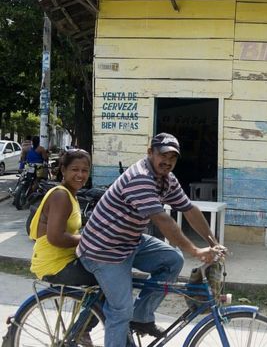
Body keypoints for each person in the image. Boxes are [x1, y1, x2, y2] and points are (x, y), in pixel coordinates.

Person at [77, 132, 227, 347]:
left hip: (130, 242)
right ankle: (129, 318)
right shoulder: (140, 178)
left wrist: (213, 242)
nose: (167, 162)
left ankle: (141, 317)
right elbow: (163, 220)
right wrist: (195, 250)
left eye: (173, 158)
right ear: (150, 153)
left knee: (173, 260)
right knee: (120, 311)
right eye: (162, 155)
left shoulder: (166, 179)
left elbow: (189, 209)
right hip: (104, 251)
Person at [30, 148, 96, 286]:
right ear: (63, 170)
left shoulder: (72, 195)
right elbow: (56, 237)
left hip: (64, 259)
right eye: (75, 169)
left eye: (85, 170)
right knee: (112, 275)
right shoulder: (61, 195)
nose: (80, 174)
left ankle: (95, 308)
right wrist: (88, 239)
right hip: (55, 265)